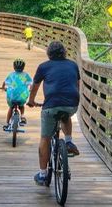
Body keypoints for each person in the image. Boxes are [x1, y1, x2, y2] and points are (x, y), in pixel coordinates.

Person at [27, 41, 80, 186]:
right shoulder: (73, 65)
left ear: (48, 54)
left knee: (45, 138)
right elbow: (77, 85)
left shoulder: (44, 66)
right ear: (64, 52)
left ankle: (43, 175)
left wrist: (31, 101)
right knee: (65, 115)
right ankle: (68, 141)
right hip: (72, 104)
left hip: (51, 106)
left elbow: (35, 87)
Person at [1, 58, 33, 130]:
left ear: (14, 67)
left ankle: (7, 123)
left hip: (12, 96)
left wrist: (3, 88)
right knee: (21, 106)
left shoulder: (11, 75)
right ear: (23, 67)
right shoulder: (25, 75)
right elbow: (31, 84)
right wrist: (30, 89)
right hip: (22, 96)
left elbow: (4, 82)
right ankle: (22, 116)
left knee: (11, 108)